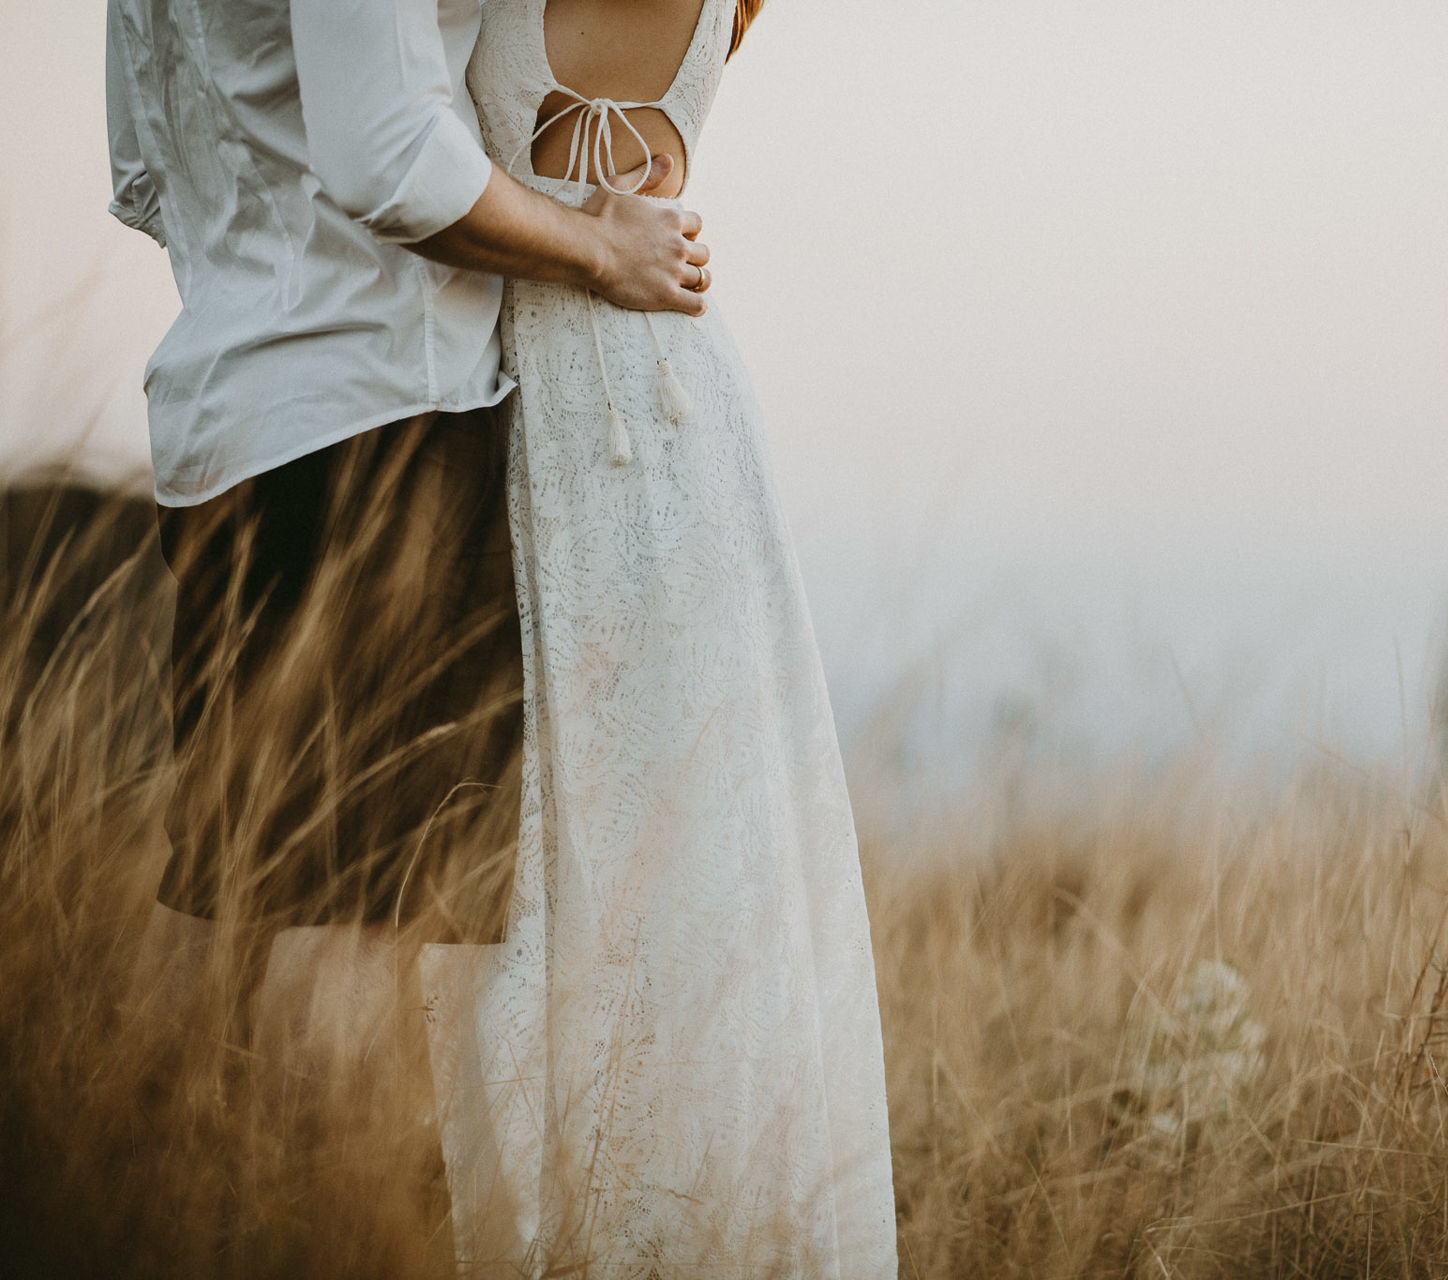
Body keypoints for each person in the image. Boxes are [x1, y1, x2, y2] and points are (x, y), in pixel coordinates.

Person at [105, 0, 702, 1140]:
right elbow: (390, 158)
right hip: (381, 415)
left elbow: (141, 165)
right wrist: (601, 248)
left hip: (220, 420)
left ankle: (141, 1203)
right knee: (363, 902)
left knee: (223, 877)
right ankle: (322, 1227)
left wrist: (256, 257)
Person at [422, 0, 898, 1274]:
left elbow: (419, 172)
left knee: (577, 847)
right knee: (691, 837)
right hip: (683, 395)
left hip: (539, 391)